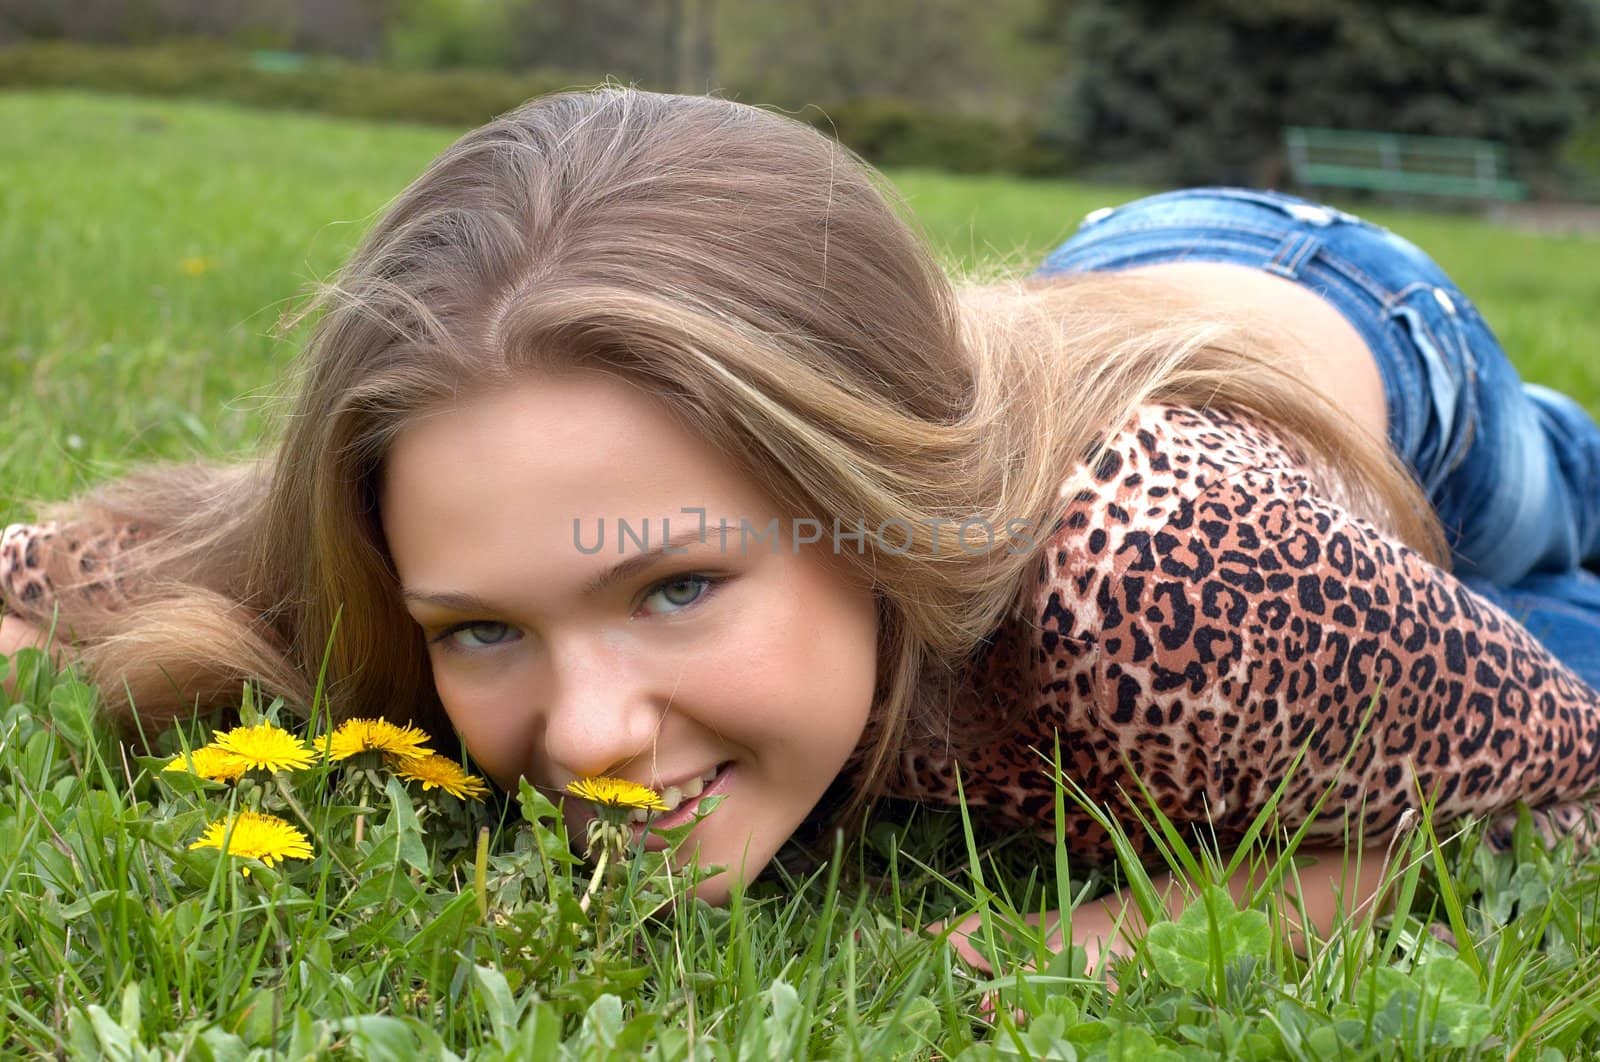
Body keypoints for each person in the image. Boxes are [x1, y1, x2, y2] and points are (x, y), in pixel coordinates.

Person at [4, 87, 1600, 984]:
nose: (595, 735)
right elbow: (90, 563)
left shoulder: (1167, 585)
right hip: (1055, 332)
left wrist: (1132, 925)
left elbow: (1567, 788)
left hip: (1360, 342)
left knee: (1543, 555)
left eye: (678, 583)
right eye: (485, 625)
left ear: (871, 516)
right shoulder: (438, 533)